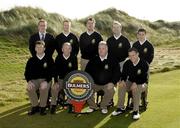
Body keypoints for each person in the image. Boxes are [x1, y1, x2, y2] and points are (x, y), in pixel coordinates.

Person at [112, 48, 149, 120]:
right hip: (131, 81)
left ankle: (136, 111)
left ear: (137, 54)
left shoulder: (144, 63)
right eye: (130, 56)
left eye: (133, 55)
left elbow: (144, 77)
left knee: (136, 88)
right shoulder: (127, 63)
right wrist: (122, 80)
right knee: (122, 86)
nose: (131, 57)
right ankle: (120, 108)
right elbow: (124, 74)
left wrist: (136, 83)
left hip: (142, 83)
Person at [85, 41, 120, 114]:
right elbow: (87, 72)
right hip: (94, 83)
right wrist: (88, 82)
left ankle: (103, 106)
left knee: (112, 90)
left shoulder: (113, 59)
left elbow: (117, 73)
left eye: (103, 48)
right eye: (99, 49)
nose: (101, 50)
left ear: (107, 49)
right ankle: (92, 106)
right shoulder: (93, 59)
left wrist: (113, 82)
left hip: (107, 84)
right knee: (86, 89)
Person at [24, 41, 54, 115]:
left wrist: (46, 81)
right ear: (35, 49)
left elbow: (52, 72)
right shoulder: (31, 60)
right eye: (37, 47)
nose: (39, 49)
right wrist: (29, 81)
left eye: (41, 47)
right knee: (29, 88)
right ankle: (35, 107)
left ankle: (42, 108)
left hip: (46, 80)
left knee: (43, 88)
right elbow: (26, 73)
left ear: (44, 48)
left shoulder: (49, 59)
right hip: (34, 80)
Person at [50, 42, 78, 114]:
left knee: (73, 89)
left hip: (70, 80)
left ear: (70, 50)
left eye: (69, 48)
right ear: (62, 49)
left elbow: (75, 71)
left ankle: (69, 104)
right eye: (65, 48)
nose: (67, 50)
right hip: (61, 79)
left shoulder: (74, 57)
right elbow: (55, 71)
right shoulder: (58, 57)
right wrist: (56, 82)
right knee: (54, 88)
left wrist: (72, 81)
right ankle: (53, 105)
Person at [132, 28, 154, 103]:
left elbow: (151, 57)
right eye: (140, 34)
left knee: (145, 83)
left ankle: (144, 100)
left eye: (143, 34)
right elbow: (132, 56)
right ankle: (133, 100)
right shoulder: (135, 44)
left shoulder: (149, 45)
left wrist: (145, 66)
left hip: (145, 68)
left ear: (145, 35)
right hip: (135, 67)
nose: (141, 36)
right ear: (137, 35)